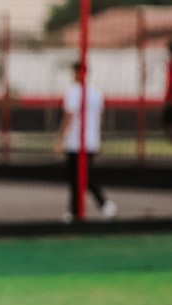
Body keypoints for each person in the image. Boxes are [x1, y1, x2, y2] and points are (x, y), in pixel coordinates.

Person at [52, 61, 116, 223]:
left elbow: (69, 116)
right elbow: (99, 118)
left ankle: (101, 204)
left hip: (76, 141)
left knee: (79, 177)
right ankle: (80, 210)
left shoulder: (74, 92)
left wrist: (59, 138)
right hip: (91, 141)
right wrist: (98, 138)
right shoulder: (96, 93)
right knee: (80, 176)